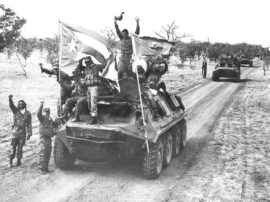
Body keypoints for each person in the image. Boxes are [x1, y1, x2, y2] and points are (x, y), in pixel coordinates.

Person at [83, 55, 114, 124]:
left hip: (94, 87)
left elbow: (104, 65)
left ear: (90, 61)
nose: (86, 63)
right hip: (88, 87)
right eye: (85, 62)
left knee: (93, 102)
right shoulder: (86, 68)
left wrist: (109, 59)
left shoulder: (96, 66)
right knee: (89, 103)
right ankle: (92, 116)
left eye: (87, 61)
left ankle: (94, 118)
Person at [8, 95, 32, 167]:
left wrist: (29, 133)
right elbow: (11, 106)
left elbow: (29, 124)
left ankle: (18, 161)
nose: (20, 105)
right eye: (19, 104)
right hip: (15, 132)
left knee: (20, 147)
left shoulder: (28, 113)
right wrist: (10, 99)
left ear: (24, 105)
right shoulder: (15, 111)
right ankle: (10, 162)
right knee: (13, 147)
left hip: (23, 133)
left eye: (22, 104)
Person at [37, 101, 59, 173]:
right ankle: (41, 169)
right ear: (43, 112)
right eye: (45, 112)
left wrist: (57, 121)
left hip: (49, 139)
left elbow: (55, 125)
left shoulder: (50, 119)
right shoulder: (42, 118)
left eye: (48, 112)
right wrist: (41, 105)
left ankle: (46, 168)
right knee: (42, 153)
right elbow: (38, 113)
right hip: (43, 138)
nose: (47, 113)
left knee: (48, 153)